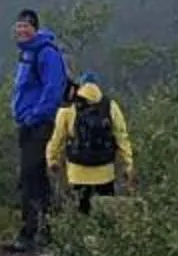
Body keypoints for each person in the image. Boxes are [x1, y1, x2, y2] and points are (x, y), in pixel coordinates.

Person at [7, 7, 69, 250]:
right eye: (18, 27)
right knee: (36, 178)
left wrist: (35, 115)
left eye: (25, 26)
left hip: (40, 124)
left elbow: (53, 88)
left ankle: (30, 233)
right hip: (27, 122)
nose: (21, 31)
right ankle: (45, 231)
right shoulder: (27, 55)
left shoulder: (46, 53)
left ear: (35, 28)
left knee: (31, 176)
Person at [48, 72, 135, 215]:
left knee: (81, 213)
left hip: (77, 172)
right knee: (105, 213)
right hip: (105, 171)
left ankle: (82, 236)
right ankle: (104, 236)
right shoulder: (111, 106)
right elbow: (122, 137)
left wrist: (52, 159)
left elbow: (57, 138)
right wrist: (128, 164)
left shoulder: (69, 108)